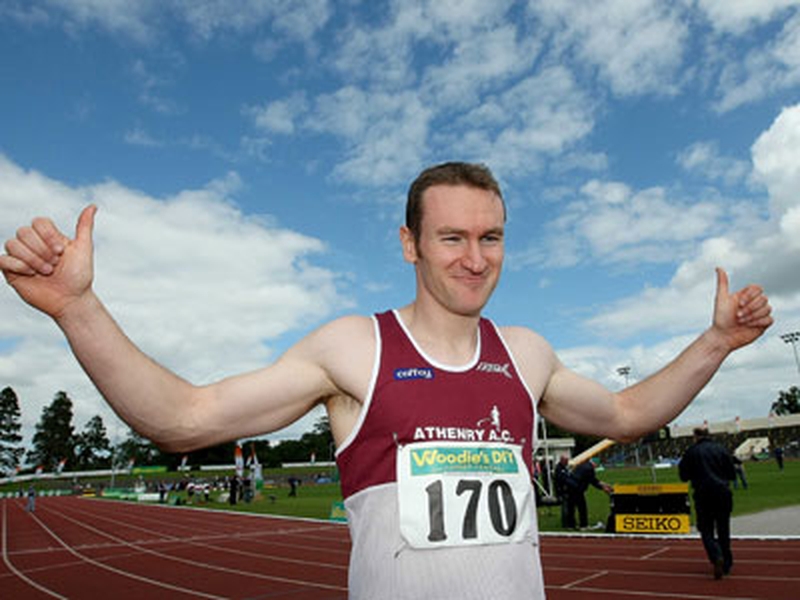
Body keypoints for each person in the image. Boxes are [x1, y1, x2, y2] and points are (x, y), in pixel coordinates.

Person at [0, 162, 773, 599]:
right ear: (410, 244)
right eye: (452, 237)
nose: (475, 258)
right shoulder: (353, 348)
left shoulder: (527, 354)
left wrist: (718, 342)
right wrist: (77, 309)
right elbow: (185, 418)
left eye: (492, 237)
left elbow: (629, 413)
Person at [679, 428, 736, 579]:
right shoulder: (721, 449)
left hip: (703, 494)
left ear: (695, 436)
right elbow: (731, 474)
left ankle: (716, 555)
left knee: (706, 529)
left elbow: (683, 476)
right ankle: (726, 563)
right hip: (722, 492)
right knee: (723, 528)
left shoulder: (691, 452)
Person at [564, 459, 613, 530]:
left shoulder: (583, 465)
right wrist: (604, 489)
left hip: (570, 487)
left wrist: (605, 485)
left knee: (571, 507)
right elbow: (593, 482)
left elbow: (594, 480)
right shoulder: (589, 469)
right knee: (582, 507)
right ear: (594, 464)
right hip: (577, 489)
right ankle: (583, 525)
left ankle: (570, 525)